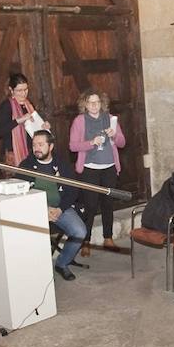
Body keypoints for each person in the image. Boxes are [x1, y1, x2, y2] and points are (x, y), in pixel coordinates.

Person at [21, 129, 88, 281]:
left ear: (50, 146)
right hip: (34, 210)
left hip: (60, 208)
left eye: (41, 144)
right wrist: (43, 210)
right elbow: (20, 192)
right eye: (34, 145)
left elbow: (73, 191)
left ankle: (62, 263)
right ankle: (34, 271)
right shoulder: (26, 165)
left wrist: (59, 209)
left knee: (79, 231)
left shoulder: (62, 165)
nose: (36, 148)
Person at [69, 89, 125, 254]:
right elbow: (72, 146)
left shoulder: (110, 119)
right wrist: (91, 142)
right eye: (90, 102)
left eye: (97, 102)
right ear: (84, 104)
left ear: (102, 103)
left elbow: (122, 143)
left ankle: (108, 238)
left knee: (108, 203)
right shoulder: (79, 121)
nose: (94, 105)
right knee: (90, 206)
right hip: (89, 169)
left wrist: (114, 135)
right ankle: (86, 241)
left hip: (109, 167)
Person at [0, 72, 47, 165]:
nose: (24, 93)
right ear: (11, 90)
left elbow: (34, 128)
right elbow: (0, 132)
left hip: (31, 152)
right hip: (13, 154)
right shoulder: (6, 106)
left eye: (26, 89)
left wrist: (43, 126)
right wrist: (18, 120)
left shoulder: (29, 105)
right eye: (19, 90)